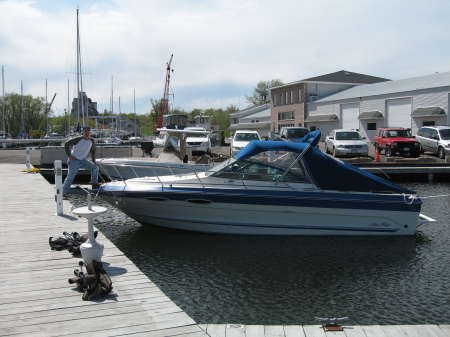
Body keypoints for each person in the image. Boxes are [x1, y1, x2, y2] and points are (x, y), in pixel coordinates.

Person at [62, 127, 101, 199]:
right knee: (70, 177)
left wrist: (93, 160)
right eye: (85, 131)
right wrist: (69, 155)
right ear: (82, 132)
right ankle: (63, 193)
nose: (87, 133)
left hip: (83, 160)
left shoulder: (91, 140)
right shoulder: (78, 139)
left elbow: (93, 150)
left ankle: (94, 184)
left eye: (88, 131)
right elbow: (66, 144)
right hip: (74, 160)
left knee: (94, 167)